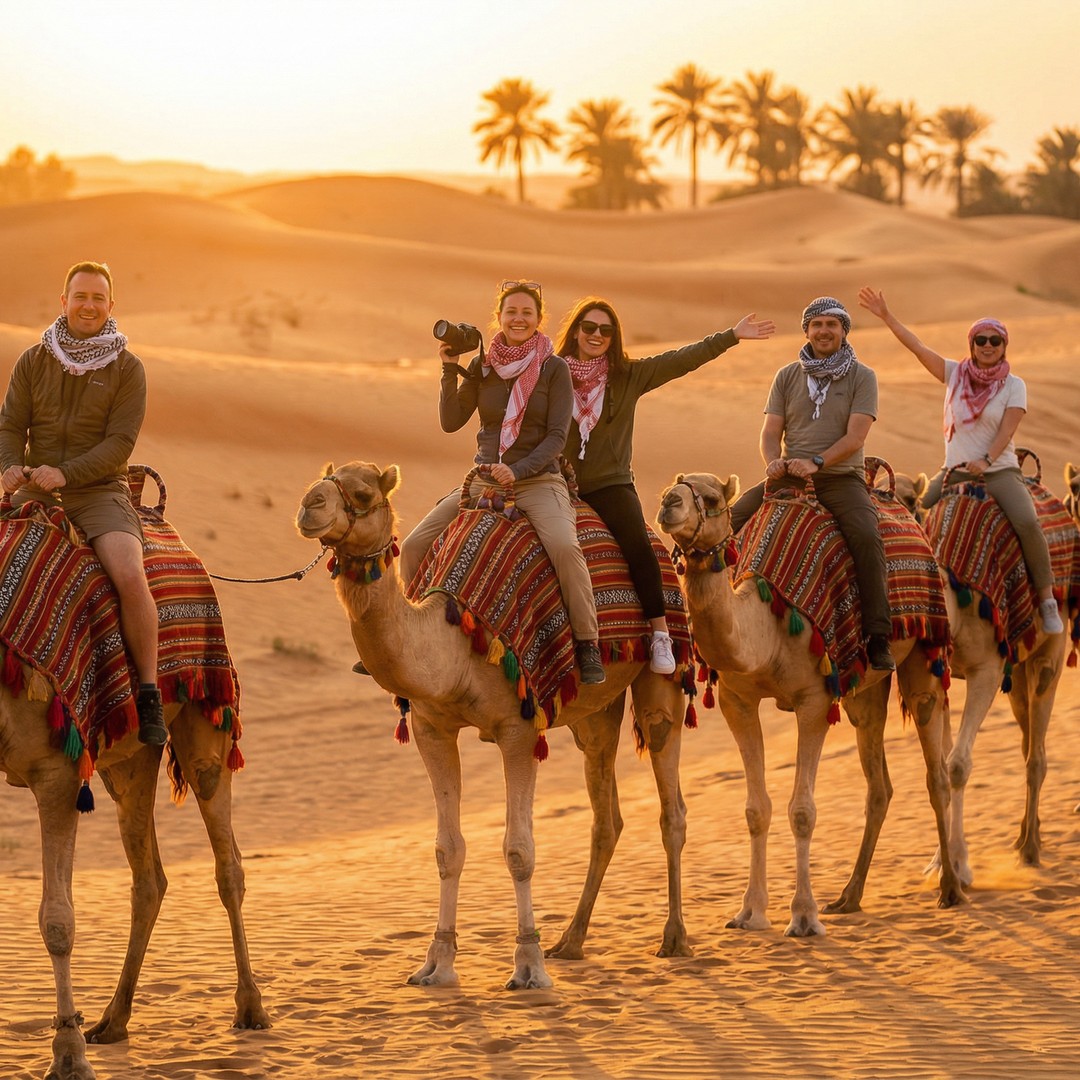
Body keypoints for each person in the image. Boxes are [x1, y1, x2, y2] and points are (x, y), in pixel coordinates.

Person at [399, 279, 606, 684]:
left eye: (527, 312)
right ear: (499, 317)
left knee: (565, 547)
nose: (518, 318)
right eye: (511, 311)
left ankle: (587, 643)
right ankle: (408, 636)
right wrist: (447, 369)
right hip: (484, 480)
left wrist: (520, 469)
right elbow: (450, 422)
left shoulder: (553, 368)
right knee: (413, 546)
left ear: (538, 319)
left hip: (538, 480)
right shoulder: (484, 366)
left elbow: (556, 437)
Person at [554, 297, 775, 674]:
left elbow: (680, 359)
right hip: (557, 483)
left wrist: (731, 336)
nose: (596, 335)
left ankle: (659, 634)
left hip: (610, 484)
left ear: (614, 338)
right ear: (575, 330)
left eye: (605, 330)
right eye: (589, 327)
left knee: (640, 548)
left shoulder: (628, 375)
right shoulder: (552, 374)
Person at [0, 261, 167, 744]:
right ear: (64, 301)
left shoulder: (127, 368)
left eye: (98, 298)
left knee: (130, 574)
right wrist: (10, 464)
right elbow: (10, 425)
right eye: (81, 297)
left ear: (110, 306)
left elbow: (120, 443)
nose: (88, 306)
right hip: (34, 487)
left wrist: (68, 473)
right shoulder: (34, 360)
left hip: (98, 492)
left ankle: (150, 693)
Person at [857, 287, 1065, 635]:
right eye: (981, 339)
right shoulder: (955, 375)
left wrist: (985, 460)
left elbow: (1008, 430)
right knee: (911, 516)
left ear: (1003, 346)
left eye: (994, 341)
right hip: (953, 472)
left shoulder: (1014, 386)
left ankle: (1046, 599)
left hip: (999, 471)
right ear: (972, 344)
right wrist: (886, 316)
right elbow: (917, 347)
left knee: (1028, 522)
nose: (987, 346)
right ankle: (898, 592)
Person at [730, 296, 896, 671]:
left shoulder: (862, 376)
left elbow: (856, 437)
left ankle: (878, 634)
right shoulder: (787, 375)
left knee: (867, 537)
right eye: (817, 324)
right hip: (788, 476)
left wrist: (816, 462)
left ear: (843, 331)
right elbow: (770, 431)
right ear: (806, 330)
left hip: (839, 478)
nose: (824, 331)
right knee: (728, 523)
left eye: (832, 325)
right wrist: (773, 463)